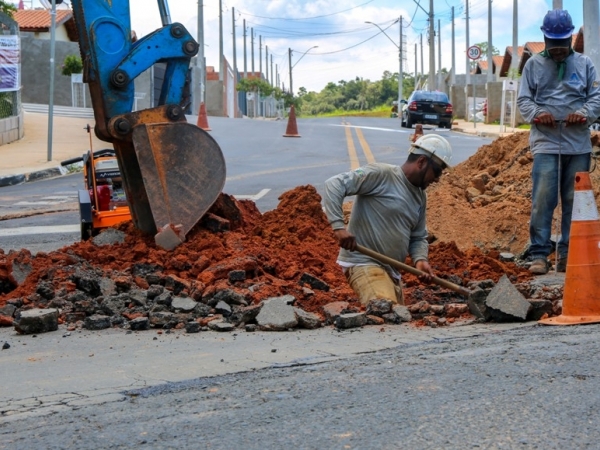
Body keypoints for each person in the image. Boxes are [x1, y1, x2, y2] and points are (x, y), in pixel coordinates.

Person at [323, 134, 452, 307]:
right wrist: (338, 227)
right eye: (437, 172)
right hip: (365, 263)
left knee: (398, 321)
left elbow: (418, 236)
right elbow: (334, 184)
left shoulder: (421, 197)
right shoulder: (382, 175)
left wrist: (420, 260)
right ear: (421, 162)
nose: (437, 179)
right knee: (386, 313)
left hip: (391, 272)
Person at [517, 9, 600, 275]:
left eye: (562, 44)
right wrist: (537, 114)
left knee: (573, 200)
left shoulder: (585, 64)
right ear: (545, 38)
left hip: (578, 145)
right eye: (553, 44)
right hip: (546, 143)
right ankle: (540, 254)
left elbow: (596, 98)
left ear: (569, 39)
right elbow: (524, 100)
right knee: (543, 198)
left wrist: (584, 114)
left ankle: (568, 254)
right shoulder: (532, 65)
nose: (558, 50)